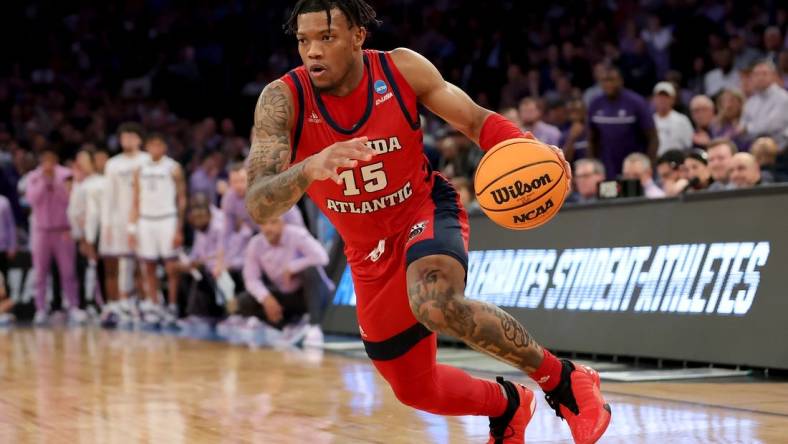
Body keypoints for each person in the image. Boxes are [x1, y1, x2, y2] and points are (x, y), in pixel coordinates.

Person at [244, 2, 610, 443]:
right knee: (415, 389)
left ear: (359, 36)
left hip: (423, 210)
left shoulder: (401, 70)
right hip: (367, 253)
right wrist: (308, 168)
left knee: (434, 301)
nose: (313, 52)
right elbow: (259, 203)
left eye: (327, 37)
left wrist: (527, 148)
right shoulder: (283, 99)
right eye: (304, 41)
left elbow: (474, 120)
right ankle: (509, 405)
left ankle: (564, 379)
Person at [238, 215, 332, 346]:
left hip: (312, 294)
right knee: (245, 300)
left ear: (283, 223)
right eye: (264, 224)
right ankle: (287, 326)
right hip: (287, 294)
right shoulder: (255, 243)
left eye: (273, 222)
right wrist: (266, 298)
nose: (268, 228)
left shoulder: (297, 234)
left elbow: (322, 257)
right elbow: (251, 279)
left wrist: (292, 267)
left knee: (310, 271)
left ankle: (314, 326)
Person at [129, 134, 186, 327]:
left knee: (171, 267)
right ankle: (154, 304)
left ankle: (171, 305)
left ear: (164, 147)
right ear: (147, 147)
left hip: (167, 219)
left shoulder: (173, 168)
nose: (155, 148)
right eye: (151, 145)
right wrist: (132, 227)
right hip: (146, 220)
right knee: (149, 266)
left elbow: (182, 199)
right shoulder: (139, 169)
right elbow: (135, 199)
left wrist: (179, 227)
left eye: (158, 145)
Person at [99, 122, 151, 327]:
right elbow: (108, 198)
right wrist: (107, 226)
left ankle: (144, 303)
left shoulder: (148, 161)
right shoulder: (113, 164)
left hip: (144, 219)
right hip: (119, 221)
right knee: (118, 264)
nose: (127, 140)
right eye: (124, 137)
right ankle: (119, 304)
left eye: (131, 136)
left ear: (139, 139)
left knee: (143, 264)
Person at [26, 148, 85, 324]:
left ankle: (73, 306)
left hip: (63, 230)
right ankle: (41, 308)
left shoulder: (66, 175)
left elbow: (71, 199)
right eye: (45, 161)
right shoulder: (34, 177)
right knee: (40, 272)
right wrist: (45, 181)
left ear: (56, 160)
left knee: (68, 271)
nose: (48, 165)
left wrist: (56, 182)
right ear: (41, 162)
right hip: (41, 230)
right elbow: (32, 200)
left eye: (51, 161)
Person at [588, 66, 658, 179]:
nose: (608, 84)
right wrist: (592, 166)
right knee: (609, 195)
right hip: (607, 171)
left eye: (611, 80)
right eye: (604, 80)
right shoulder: (595, 104)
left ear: (621, 81)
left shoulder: (637, 102)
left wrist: (648, 166)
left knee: (633, 196)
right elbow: (592, 139)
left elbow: (652, 137)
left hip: (634, 170)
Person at [740, 60, 788, 149]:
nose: (760, 77)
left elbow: (771, 126)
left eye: (764, 73)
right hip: (756, 149)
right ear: (752, 77)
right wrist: (745, 128)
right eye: (756, 74)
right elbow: (741, 126)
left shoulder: (783, 98)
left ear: (773, 76)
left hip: (780, 150)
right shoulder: (751, 102)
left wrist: (747, 128)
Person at [652, 82, 693, 155]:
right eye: (660, 97)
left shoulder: (682, 120)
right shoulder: (650, 120)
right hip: (655, 161)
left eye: (666, 97)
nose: (662, 100)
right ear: (654, 99)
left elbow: (689, 144)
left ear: (673, 100)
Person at [0, 194, 16, 299]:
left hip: (2, 247)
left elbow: (10, 224)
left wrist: (12, 245)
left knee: (4, 279)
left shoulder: (4, 202)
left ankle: (4, 310)